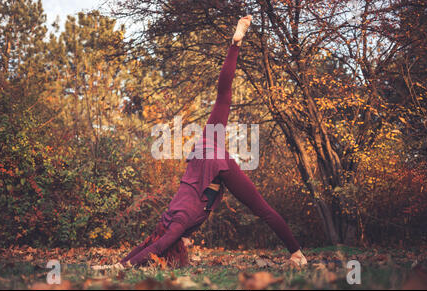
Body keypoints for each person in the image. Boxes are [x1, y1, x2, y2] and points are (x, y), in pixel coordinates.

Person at [106, 15, 307, 270]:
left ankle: (298, 253)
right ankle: (235, 44)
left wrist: (122, 266)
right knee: (224, 95)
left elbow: (157, 246)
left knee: (262, 208)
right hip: (203, 148)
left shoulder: (177, 222)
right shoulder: (168, 216)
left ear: (179, 244)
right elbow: (152, 241)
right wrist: (121, 262)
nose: (189, 246)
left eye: (185, 247)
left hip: (214, 161)